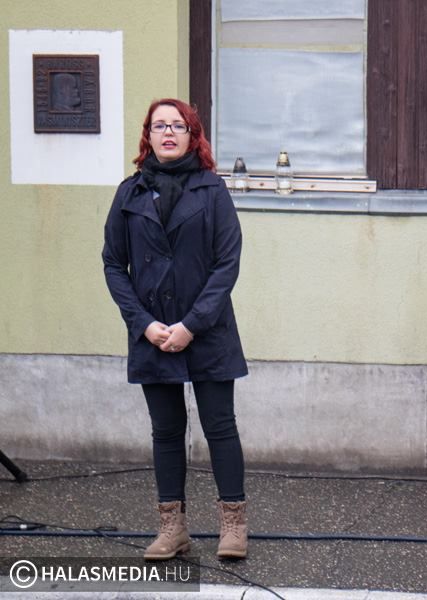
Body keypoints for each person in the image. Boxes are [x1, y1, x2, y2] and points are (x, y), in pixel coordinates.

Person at [102, 98, 249, 561]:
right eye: (159, 125)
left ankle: (233, 526)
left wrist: (191, 324)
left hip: (208, 329)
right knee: (166, 431)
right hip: (154, 331)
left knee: (219, 426)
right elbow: (113, 264)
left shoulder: (213, 191)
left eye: (177, 125)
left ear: (192, 135)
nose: (168, 132)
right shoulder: (129, 193)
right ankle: (173, 528)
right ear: (148, 136)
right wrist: (143, 324)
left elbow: (227, 264)